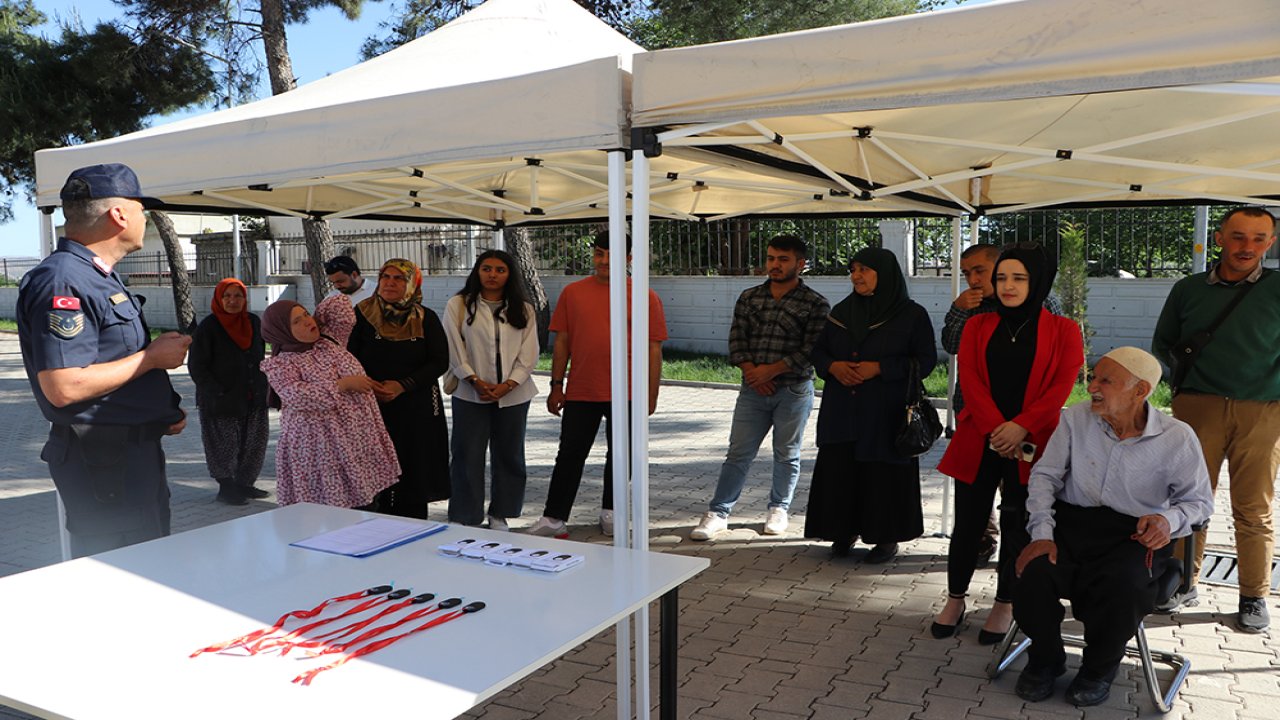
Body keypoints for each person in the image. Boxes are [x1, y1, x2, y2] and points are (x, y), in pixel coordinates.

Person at [1012, 348, 1213, 707]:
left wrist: (1168, 520)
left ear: (1141, 391)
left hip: (1135, 535)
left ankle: (1098, 669)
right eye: (1094, 377)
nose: (1092, 387)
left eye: (1106, 380)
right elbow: (1044, 476)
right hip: (1072, 525)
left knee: (1124, 586)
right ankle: (1045, 659)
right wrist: (1042, 533)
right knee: (1033, 574)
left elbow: (1199, 503)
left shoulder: (1176, 437)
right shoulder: (1076, 419)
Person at [16, 163, 190, 558]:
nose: (144, 218)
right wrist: (151, 358)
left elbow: (109, 362)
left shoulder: (98, 276)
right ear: (118, 214)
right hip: (105, 465)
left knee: (150, 568)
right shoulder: (64, 279)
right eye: (140, 208)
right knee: (122, 583)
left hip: (128, 456)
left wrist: (160, 410)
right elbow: (64, 387)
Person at [934, 243, 1083, 644]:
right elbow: (972, 383)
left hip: (1031, 443)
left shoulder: (1064, 330)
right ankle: (955, 598)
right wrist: (996, 427)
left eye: (1019, 278)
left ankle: (1005, 602)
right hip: (980, 436)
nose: (1008, 286)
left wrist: (1020, 426)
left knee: (1017, 523)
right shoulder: (976, 325)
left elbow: (1059, 390)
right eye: (1002, 278)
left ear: (1036, 282)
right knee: (968, 523)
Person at [1151, 207, 1280, 633]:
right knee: (1186, 500)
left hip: (1263, 410)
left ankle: (1254, 595)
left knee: (1253, 507)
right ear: (1220, 238)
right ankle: (1180, 581)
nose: (1248, 247)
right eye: (1239, 237)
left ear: (1271, 242)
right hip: (1197, 409)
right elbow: (1163, 344)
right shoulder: (1188, 289)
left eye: (1259, 238)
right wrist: (1184, 393)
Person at [526, 231, 668, 538]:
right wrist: (555, 384)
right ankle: (554, 518)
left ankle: (612, 513)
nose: (604, 261)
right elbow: (561, 341)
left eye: (612, 255)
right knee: (570, 454)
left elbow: (654, 348)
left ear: (629, 259)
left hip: (628, 391)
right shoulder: (573, 292)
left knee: (622, 455)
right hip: (582, 389)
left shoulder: (645, 296)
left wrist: (651, 393)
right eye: (600, 253)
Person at [691, 235, 829, 541]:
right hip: (753, 390)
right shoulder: (749, 297)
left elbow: (812, 349)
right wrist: (754, 373)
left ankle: (779, 509)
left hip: (793, 392)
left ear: (800, 264)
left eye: (783, 259)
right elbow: (737, 340)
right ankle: (718, 512)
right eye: (770, 259)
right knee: (738, 453)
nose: (774, 265)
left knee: (787, 453)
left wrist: (771, 371)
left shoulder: (816, 303)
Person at [803, 247, 936, 564]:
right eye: (853, 269)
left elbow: (927, 361)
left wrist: (881, 368)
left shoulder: (911, 315)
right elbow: (817, 351)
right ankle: (842, 530)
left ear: (885, 273)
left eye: (864, 269)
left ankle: (885, 538)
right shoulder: (841, 312)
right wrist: (832, 367)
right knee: (841, 471)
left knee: (883, 476)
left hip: (886, 413)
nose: (856, 276)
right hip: (842, 413)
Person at [942, 243, 1066, 566]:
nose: (973, 280)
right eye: (966, 273)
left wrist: (1020, 425)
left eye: (979, 271)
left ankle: (1014, 572)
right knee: (974, 495)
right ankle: (981, 540)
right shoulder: (971, 309)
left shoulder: (1042, 303)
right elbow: (951, 346)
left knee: (1017, 494)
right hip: (976, 417)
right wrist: (958, 309)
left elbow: (1052, 360)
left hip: (1028, 424)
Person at [260, 295, 400, 507]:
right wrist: (343, 385)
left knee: (368, 504)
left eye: (306, 314)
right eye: (296, 321)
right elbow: (297, 395)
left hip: (357, 438)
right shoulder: (281, 364)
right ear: (281, 331)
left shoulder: (328, 341)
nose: (307, 321)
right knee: (335, 509)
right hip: (323, 447)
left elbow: (341, 305)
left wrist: (318, 317)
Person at [443, 250, 539, 531]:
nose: (493, 275)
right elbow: (453, 346)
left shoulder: (524, 308)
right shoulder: (459, 304)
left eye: (500, 270)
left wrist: (510, 383)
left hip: (514, 396)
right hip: (470, 393)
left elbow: (530, 353)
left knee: (509, 455)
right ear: (477, 271)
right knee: (466, 455)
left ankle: (501, 513)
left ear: (510, 274)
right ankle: (465, 515)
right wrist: (473, 380)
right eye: (487, 269)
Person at [348, 258, 452, 518]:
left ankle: (412, 529)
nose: (390, 283)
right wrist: (372, 386)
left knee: (414, 470)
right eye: (386, 277)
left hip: (417, 407)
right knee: (375, 470)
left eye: (399, 278)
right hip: (372, 405)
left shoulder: (425, 317)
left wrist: (402, 386)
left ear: (412, 284)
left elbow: (439, 361)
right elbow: (349, 358)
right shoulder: (360, 314)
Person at [188, 278, 270, 506]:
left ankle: (245, 484)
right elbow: (197, 365)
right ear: (219, 299)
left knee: (253, 441)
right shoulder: (209, 327)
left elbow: (260, 356)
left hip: (252, 395)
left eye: (238, 296)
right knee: (223, 444)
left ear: (245, 299)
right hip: (221, 398)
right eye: (227, 296)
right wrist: (216, 391)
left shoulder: (253, 322)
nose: (233, 301)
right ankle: (226, 487)